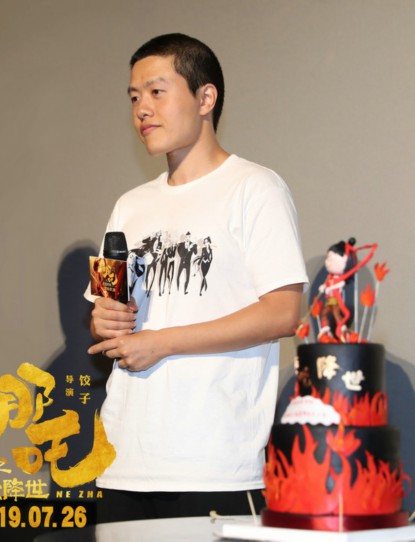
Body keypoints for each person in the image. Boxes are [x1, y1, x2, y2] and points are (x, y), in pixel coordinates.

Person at [85, 33, 308, 522]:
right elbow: (103, 310)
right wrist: (104, 319)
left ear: (205, 98)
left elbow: (283, 312)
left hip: (216, 464)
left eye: (156, 92)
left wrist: (163, 342)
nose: (142, 109)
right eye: (134, 97)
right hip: (122, 460)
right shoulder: (129, 205)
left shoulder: (256, 188)